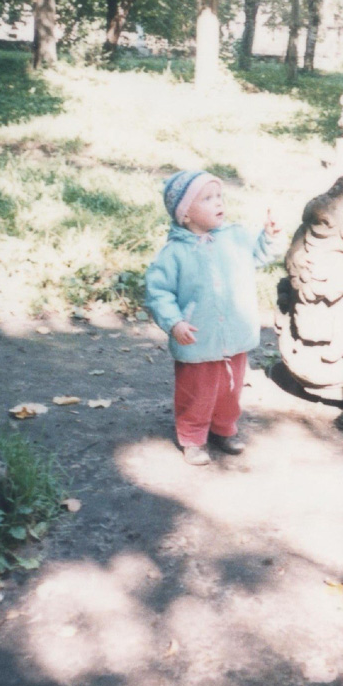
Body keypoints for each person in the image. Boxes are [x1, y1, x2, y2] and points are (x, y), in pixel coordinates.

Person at [144, 170, 281, 465]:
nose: (218, 202)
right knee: (197, 391)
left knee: (230, 388)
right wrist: (174, 322)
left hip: (234, 332)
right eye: (207, 198)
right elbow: (158, 292)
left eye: (219, 196)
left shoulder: (235, 237)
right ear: (185, 215)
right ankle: (193, 438)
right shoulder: (174, 253)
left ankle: (223, 429)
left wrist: (268, 235)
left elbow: (259, 254)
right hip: (198, 334)